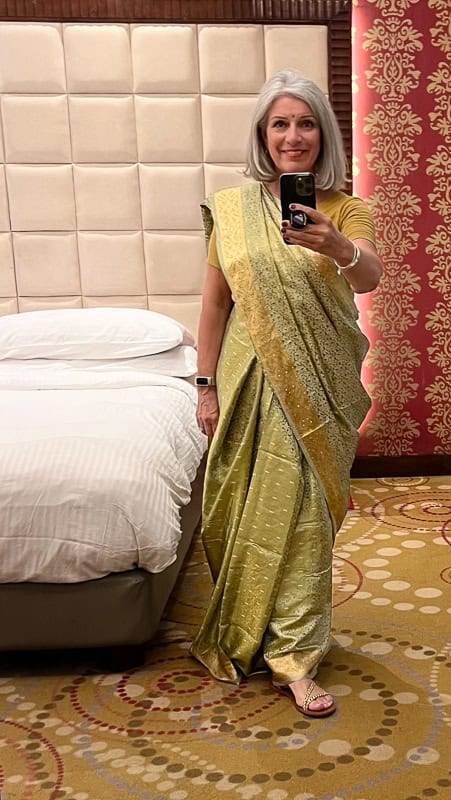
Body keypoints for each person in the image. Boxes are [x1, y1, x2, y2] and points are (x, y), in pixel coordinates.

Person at [190, 68, 383, 718]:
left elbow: (368, 278)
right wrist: (204, 385)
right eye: (280, 123)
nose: (293, 135)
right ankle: (251, 632)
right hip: (249, 382)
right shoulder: (234, 210)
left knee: (302, 520)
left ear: (321, 133)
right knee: (241, 512)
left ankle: (296, 659)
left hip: (319, 387)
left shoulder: (343, 206)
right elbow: (215, 305)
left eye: (304, 123)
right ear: (262, 135)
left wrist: (336, 247)